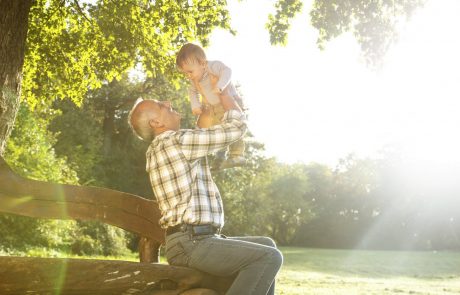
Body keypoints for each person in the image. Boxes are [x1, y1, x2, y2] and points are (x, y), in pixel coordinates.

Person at [128, 95, 282, 295]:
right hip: (192, 243)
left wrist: (206, 117)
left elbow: (198, 140)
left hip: (192, 241)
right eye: (160, 105)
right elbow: (235, 128)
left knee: (266, 245)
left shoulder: (166, 147)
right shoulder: (176, 143)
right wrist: (229, 98)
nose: (167, 103)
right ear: (156, 123)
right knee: (269, 257)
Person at [176, 42, 246, 170]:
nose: (189, 76)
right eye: (185, 73)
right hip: (214, 107)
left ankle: (237, 155)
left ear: (202, 63)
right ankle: (220, 157)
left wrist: (220, 85)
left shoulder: (212, 66)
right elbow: (192, 91)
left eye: (190, 72)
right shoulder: (194, 79)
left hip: (230, 101)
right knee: (219, 130)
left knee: (232, 124)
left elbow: (227, 71)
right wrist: (195, 105)